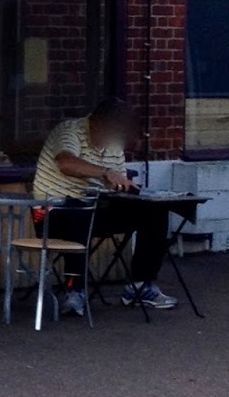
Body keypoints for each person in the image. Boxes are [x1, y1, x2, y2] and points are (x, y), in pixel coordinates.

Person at [31, 97, 177, 314]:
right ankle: (75, 290)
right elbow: (66, 162)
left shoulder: (114, 144)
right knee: (78, 213)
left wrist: (122, 185)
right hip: (52, 212)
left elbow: (115, 179)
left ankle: (140, 285)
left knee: (154, 213)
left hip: (94, 207)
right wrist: (105, 172)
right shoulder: (69, 131)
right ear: (96, 121)